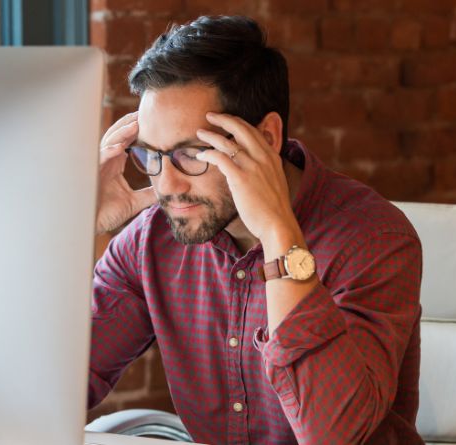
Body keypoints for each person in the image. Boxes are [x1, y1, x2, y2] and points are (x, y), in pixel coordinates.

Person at [89, 15, 424, 445]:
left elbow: (334, 435)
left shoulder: (373, 238)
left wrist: (277, 234)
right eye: (150, 155)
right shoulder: (151, 240)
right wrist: (75, 226)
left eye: (191, 153)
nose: (166, 185)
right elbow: (50, 383)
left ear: (265, 138)